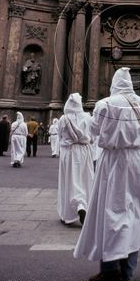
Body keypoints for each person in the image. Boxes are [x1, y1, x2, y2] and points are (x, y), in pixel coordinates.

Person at [74, 67, 140, 281]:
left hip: (112, 161)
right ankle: (128, 271)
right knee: (135, 213)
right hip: (137, 162)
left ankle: (110, 270)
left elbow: (93, 130)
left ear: (114, 83)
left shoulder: (104, 104)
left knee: (111, 211)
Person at [57, 93, 94, 226]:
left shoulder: (63, 119)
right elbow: (93, 137)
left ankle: (73, 210)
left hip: (69, 151)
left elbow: (60, 135)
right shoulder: (88, 117)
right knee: (84, 179)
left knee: (69, 180)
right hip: (84, 150)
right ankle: (85, 206)